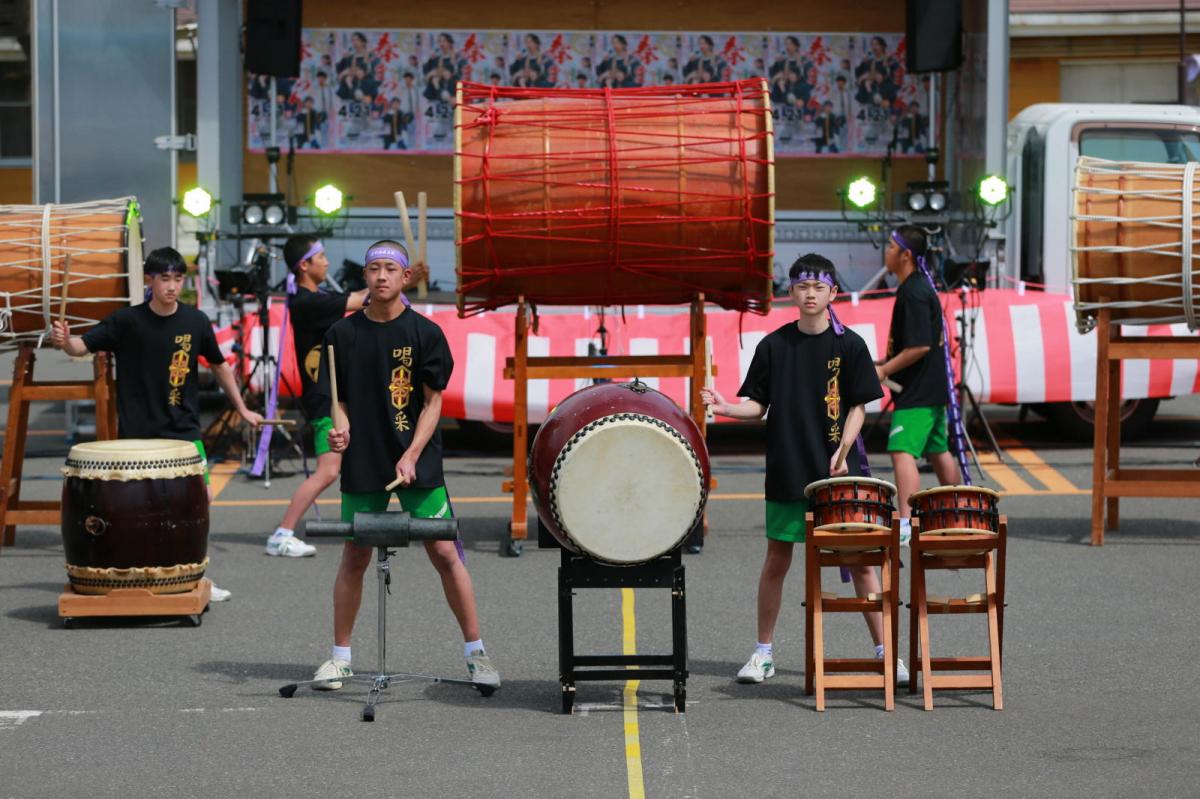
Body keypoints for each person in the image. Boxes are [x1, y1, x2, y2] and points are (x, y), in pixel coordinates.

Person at [701, 254, 908, 686]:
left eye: (819, 287)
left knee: (861, 563)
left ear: (833, 292)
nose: (810, 294)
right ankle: (763, 654)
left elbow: (858, 405)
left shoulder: (849, 345)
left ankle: (886, 652)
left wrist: (845, 447)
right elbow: (758, 406)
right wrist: (725, 407)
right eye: (802, 287)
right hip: (787, 466)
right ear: (791, 293)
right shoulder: (774, 346)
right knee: (777, 560)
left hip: (836, 472)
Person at [311, 240, 500, 692]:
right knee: (355, 553)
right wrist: (341, 433)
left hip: (415, 455)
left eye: (389, 269)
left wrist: (413, 452)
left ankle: (477, 654)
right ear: (365, 278)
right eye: (373, 268)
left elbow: (434, 403)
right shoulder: (342, 335)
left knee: (443, 552)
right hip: (365, 456)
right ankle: (340, 659)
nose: (380, 276)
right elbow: (338, 400)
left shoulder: (425, 334)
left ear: (403, 278)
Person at [50, 247, 264, 602]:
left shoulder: (195, 321)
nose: (171, 286)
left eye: (177, 279)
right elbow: (80, 346)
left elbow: (219, 364)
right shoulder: (125, 321)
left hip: (183, 430)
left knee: (200, 499)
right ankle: (137, 574)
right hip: (138, 436)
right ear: (149, 280)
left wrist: (241, 407)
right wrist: (64, 342)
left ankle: (194, 575)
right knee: (140, 509)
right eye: (164, 278)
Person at [876, 225, 961, 545]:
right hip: (931, 387)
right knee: (938, 450)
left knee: (901, 451)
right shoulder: (920, 287)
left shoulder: (912, 291)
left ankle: (908, 523)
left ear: (906, 255)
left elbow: (919, 346)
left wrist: (885, 369)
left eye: (890, 246)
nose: (885, 252)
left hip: (918, 391)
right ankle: (957, 512)